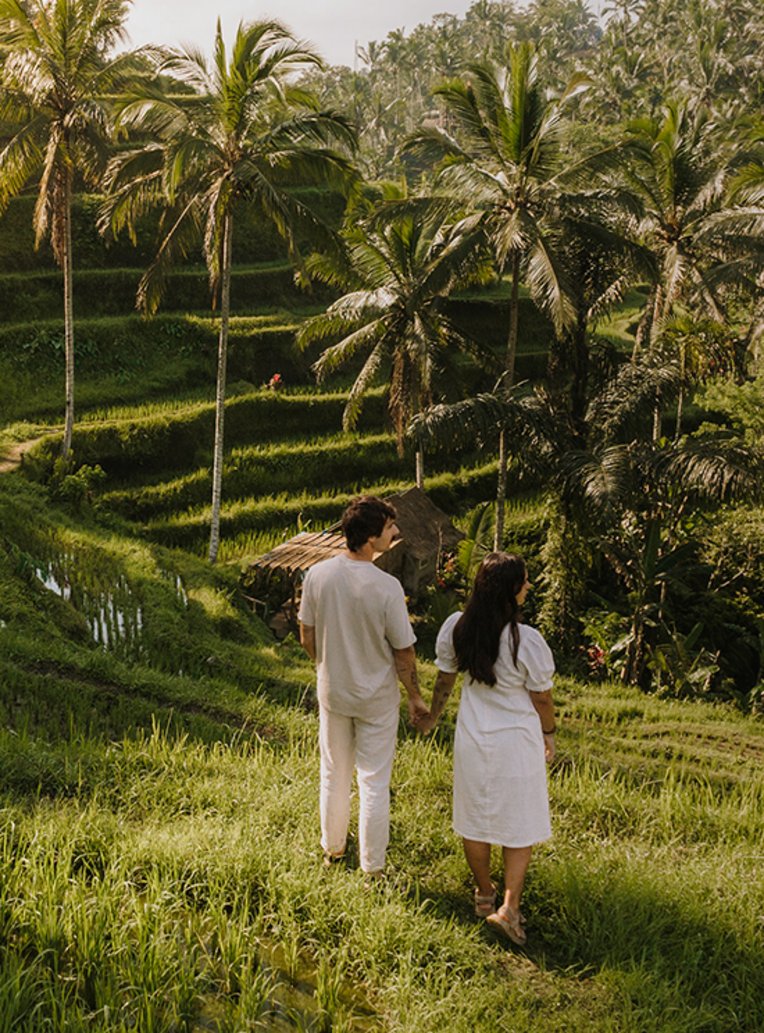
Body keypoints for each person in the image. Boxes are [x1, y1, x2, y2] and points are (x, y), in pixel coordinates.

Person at [419, 552, 557, 944]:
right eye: (524, 581)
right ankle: (510, 907)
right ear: (511, 590)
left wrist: (433, 716)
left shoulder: (457, 627)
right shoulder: (525, 640)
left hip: (473, 738)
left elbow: (445, 680)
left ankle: (484, 894)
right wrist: (549, 733)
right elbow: (542, 697)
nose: (528, 586)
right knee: (520, 823)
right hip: (517, 742)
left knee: (474, 818)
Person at [298, 495, 429, 880]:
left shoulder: (318, 575)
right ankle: (373, 868)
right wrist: (415, 697)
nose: (395, 532)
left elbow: (307, 635)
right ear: (371, 537)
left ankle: (333, 850)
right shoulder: (387, 587)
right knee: (373, 781)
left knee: (333, 774)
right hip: (376, 700)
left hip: (334, 693)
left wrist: (327, 664)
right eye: (389, 527)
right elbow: (404, 652)